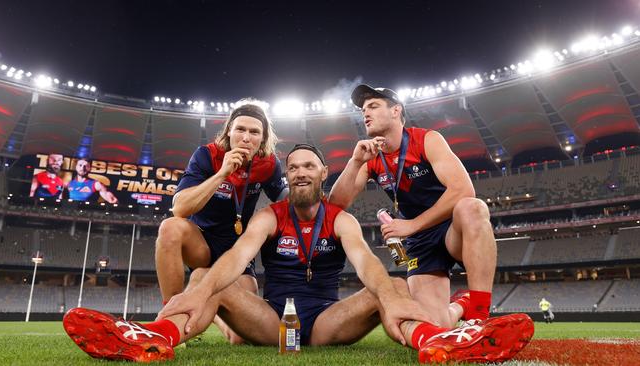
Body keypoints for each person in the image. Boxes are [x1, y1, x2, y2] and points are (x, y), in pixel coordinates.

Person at [62, 144, 534, 364]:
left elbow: (368, 266)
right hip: (272, 322)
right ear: (288, 177)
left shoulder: (340, 218)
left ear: (324, 172)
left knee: (384, 287)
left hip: (328, 322)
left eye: (309, 165)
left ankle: (433, 342)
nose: (301, 173)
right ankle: (154, 337)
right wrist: (202, 284)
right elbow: (239, 252)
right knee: (214, 279)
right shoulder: (272, 214)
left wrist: (391, 293)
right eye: (293, 168)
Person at [328, 84, 498, 329]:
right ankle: (462, 303)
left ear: (396, 111)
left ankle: (480, 319)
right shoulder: (371, 156)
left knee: (472, 207)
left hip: (451, 229)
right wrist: (355, 162)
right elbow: (336, 205)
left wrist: (412, 225)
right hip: (420, 241)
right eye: (363, 109)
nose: (365, 113)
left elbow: (463, 190)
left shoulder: (426, 139)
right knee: (435, 325)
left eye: (373, 106)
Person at [155, 100, 287, 343]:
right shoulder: (207, 155)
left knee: (240, 338)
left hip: (236, 252)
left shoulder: (268, 164)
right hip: (201, 244)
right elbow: (180, 208)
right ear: (229, 131)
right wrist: (221, 174)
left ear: (263, 138)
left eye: (254, 132)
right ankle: (170, 316)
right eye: (240, 129)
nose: (246, 137)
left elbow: (289, 202)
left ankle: (210, 305)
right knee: (170, 228)